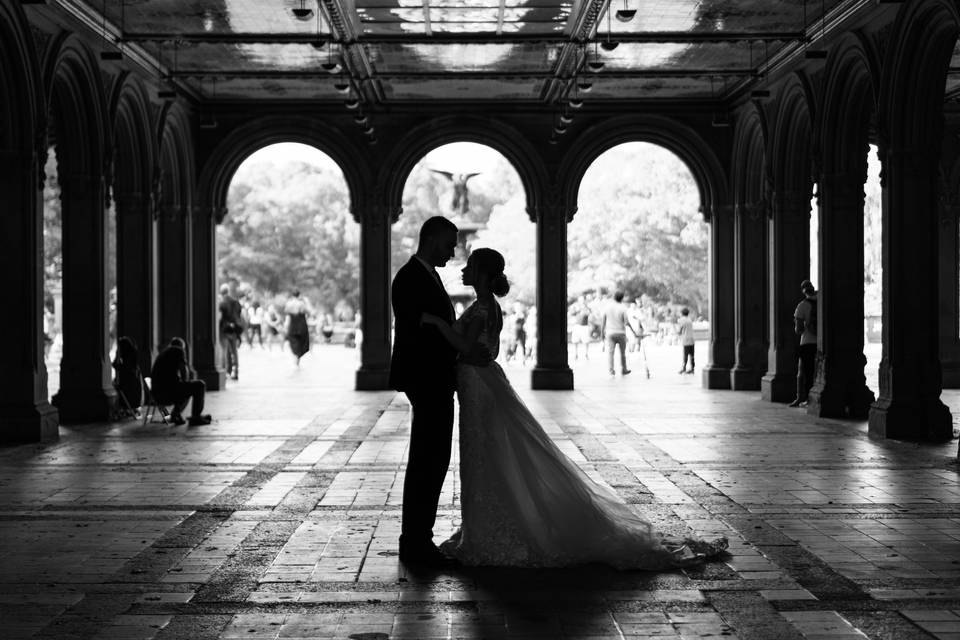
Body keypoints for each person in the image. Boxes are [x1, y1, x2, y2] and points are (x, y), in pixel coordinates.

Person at [422, 248, 727, 569]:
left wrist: (436, 324)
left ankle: (487, 531)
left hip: (477, 382)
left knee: (482, 453)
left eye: (469, 266)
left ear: (481, 274)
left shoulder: (482, 307)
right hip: (480, 381)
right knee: (484, 454)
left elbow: (467, 347)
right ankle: (484, 528)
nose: (463, 270)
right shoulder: (487, 306)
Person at [389, 216, 464, 567]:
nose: (452, 251)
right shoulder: (409, 279)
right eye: (449, 244)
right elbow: (415, 331)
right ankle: (416, 541)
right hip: (427, 379)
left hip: (435, 379)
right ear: (431, 239)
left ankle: (420, 538)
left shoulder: (426, 276)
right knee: (427, 460)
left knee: (433, 458)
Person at [150, 337, 211, 426]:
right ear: (182, 347)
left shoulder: (163, 353)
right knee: (200, 385)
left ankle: (176, 415)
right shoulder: (178, 350)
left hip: (158, 394)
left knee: (186, 388)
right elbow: (184, 371)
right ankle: (195, 417)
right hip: (168, 392)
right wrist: (186, 382)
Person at [790, 280, 818, 407]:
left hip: (807, 342)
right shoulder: (821, 302)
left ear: (803, 291)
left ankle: (802, 397)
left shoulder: (802, 305)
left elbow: (799, 330)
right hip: (822, 343)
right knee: (818, 371)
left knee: (803, 371)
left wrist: (797, 323)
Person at [601, 290, 638, 376]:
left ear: (614, 297)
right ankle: (623, 369)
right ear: (622, 298)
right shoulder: (623, 308)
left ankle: (611, 370)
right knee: (622, 353)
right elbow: (627, 322)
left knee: (610, 353)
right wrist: (634, 332)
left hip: (610, 333)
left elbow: (603, 322)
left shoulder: (607, 307)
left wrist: (602, 334)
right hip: (621, 333)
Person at [112, 336, 142, 415]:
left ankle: (119, 408)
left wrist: (117, 354)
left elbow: (118, 366)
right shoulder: (134, 353)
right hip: (133, 386)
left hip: (128, 385)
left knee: (115, 385)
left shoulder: (128, 358)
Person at [218, 284, 243, 380]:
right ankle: (236, 372)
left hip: (224, 329)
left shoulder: (222, 303)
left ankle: (224, 373)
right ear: (228, 291)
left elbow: (220, 317)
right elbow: (239, 315)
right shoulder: (236, 303)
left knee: (224, 351)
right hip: (234, 330)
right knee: (234, 351)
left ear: (221, 292)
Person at [284, 290, 311, 366]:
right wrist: (307, 302)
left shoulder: (288, 304)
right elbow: (309, 312)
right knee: (302, 345)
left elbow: (287, 313)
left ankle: (296, 362)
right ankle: (297, 363)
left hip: (292, 326)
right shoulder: (302, 304)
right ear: (299, 295)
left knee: (294, 345)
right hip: (302, 326)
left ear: (292, 295)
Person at [677, 307, 695, 374]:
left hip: (686, 339)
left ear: (682, 313)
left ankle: (684, 368)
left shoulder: (681, 320)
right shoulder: (689, 320)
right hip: (692, 339)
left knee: (685, 355)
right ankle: (692, 368)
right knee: (692, 355)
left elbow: (680, 330)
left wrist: (678, 332)